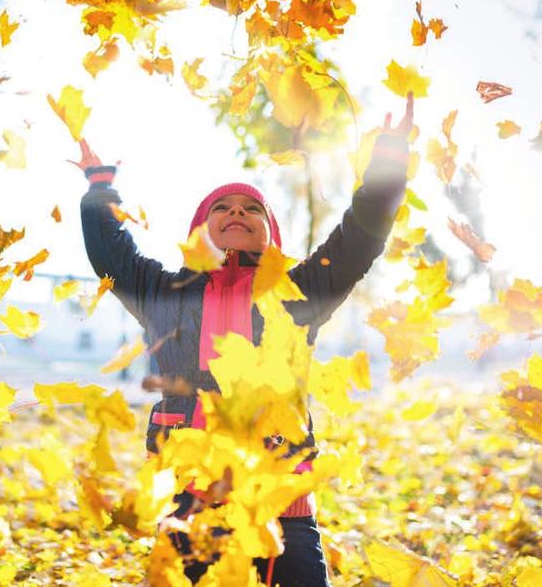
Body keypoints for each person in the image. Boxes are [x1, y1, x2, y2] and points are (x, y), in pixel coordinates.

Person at [74, 94, 414, 586]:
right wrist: (99, 185)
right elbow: (113, 255)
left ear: (268, 235)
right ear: (200, 230)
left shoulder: (298, 292)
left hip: (282, 492)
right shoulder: (164, 293)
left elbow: (358, 239)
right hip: (191, 488)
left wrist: (387, 163)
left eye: (252, 209)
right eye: (223, 208)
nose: (237, 212)